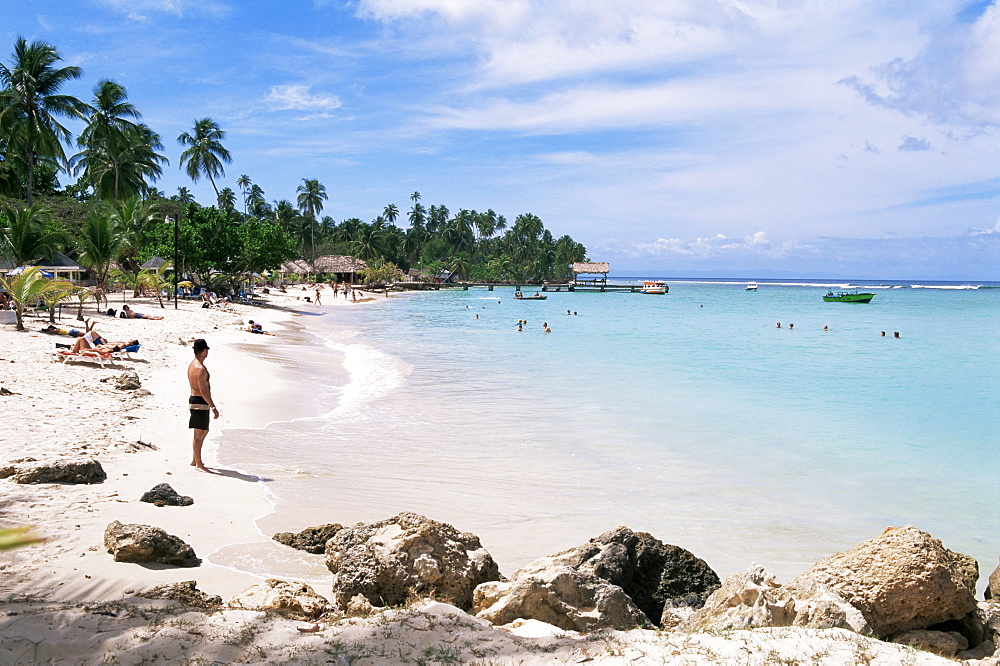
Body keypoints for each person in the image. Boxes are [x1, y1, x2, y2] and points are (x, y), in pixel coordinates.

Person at [187, 339, 219, 473]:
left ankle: (195, 460)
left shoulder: (193, 364)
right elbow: (203, 391)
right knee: (200, 433)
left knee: (201, 431)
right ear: (204, 351)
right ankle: (199, 464)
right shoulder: (199, 369)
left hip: (196, 401)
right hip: (200, 402)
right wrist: (213, 407)